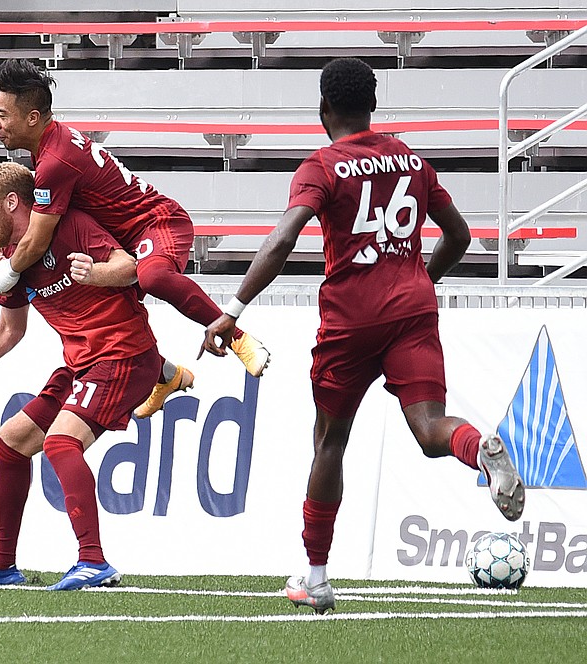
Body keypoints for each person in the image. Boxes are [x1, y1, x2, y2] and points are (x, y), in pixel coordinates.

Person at [200, 58, 525, 614]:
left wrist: (232, 309)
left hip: (351, 321)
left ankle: (317, 579)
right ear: (372, 105)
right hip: (412, 310)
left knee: (329, 442)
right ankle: (479, 448)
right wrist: (423, 279)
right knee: (429, 430)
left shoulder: (321, 166)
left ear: (323, 109)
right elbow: (460, 235)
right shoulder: (412, 159)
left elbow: (281, 241)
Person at [0, 58, 270, 418]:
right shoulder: (50, 148)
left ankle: (238, 337)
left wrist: (8, 271)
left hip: (156, 224)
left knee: (150, 276)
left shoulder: (54, 162)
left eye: (1, 115)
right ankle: (165, 376)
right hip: (128, 239)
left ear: (32, 117)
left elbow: (37, 241)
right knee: (105, 312)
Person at [0, 162, 161, 590]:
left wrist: (93, 272)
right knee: (10, 442)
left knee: (61, 442)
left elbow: (129, 266)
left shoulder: (70, 226)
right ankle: (1, 566)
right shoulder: (11, 260)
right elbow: (9, 330)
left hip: (124, 354)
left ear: (10, 203)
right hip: (81, 363)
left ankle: (93, 563)